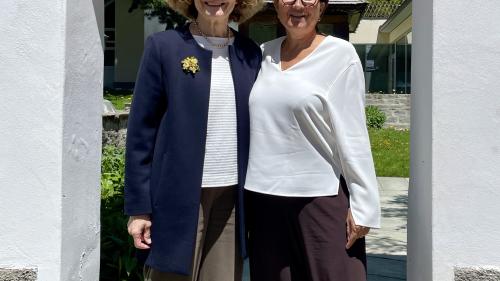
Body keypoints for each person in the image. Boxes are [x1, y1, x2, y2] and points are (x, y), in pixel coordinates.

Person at [123, 0, 263, 279]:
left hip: (232, 197)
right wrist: (139, 209)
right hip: (177, 196)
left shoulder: (250, 54)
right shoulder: (163, 47)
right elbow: (141, 132)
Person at [244, 0, 381, 279]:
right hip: (265, 200)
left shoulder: (340, 55)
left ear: (321, 6)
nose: (298, 5)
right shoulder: (262, 54)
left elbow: (352, 133)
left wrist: (364, 204)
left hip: (319, 198)